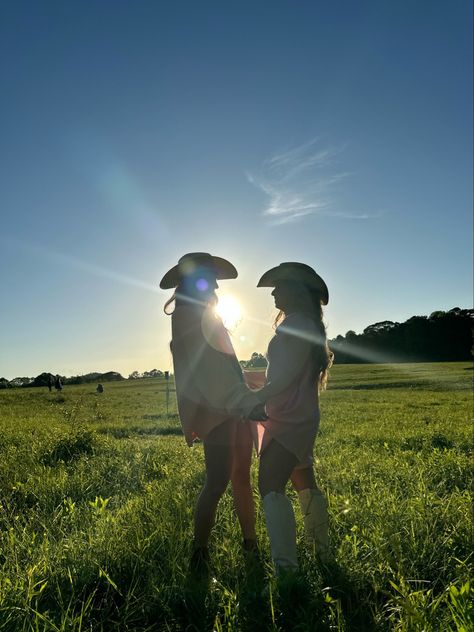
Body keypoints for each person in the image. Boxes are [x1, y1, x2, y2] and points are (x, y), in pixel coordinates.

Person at [160, 252, 266, 575]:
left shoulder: (202, 313)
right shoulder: (189, 317)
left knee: (239, 479)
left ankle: (250, 544)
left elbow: (222, 365)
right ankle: (199, 553)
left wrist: (244, 388)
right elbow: (206, 373)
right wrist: (243, 398)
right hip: (218, 411)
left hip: (231, 408)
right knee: (218, 481)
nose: (215, 286)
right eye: (208, 278)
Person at [248, 262, 333, 576]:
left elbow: (282, 378)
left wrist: (253, 398)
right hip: (300, 413)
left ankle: (287, 571)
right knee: (303, 480)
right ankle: (322, 555)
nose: (273, 291)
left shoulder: (295, 324)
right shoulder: (307, 323)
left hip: (289, 417)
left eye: (279, 285)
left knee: (270, 484)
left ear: (296, 290)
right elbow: (288, 374)